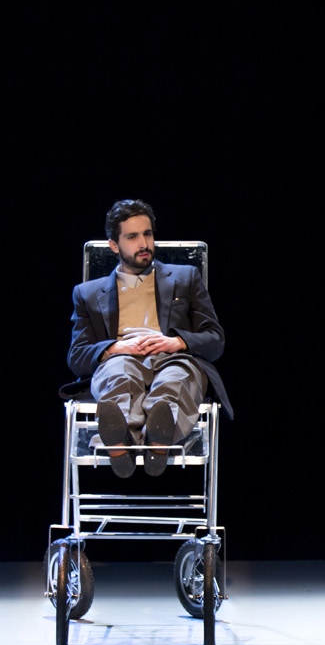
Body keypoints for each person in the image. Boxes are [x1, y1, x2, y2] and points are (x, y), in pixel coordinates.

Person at [65, 199, 231, 478]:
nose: (143, 243)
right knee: (119, 376)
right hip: (120, 359)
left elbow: (215, 340)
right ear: (114, 245)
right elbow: (77, 356)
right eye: (132, 237)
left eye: (148, 234)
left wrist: (177, 342)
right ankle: (124, 442)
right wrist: (116, 347)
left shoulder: (185, 277)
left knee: (174, 381)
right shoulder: (87, 294)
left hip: (174, 358)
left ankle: (154, 441)